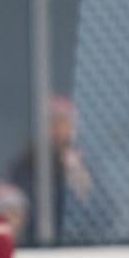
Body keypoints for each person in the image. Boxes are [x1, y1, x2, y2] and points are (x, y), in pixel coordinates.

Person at [9, 94, 109, 244]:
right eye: (52, 123)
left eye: (65, 123)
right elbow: (30, 209)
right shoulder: (26, 166)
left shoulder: (85, 165)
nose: (59, 130)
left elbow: (106, 214)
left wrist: (79, 179)